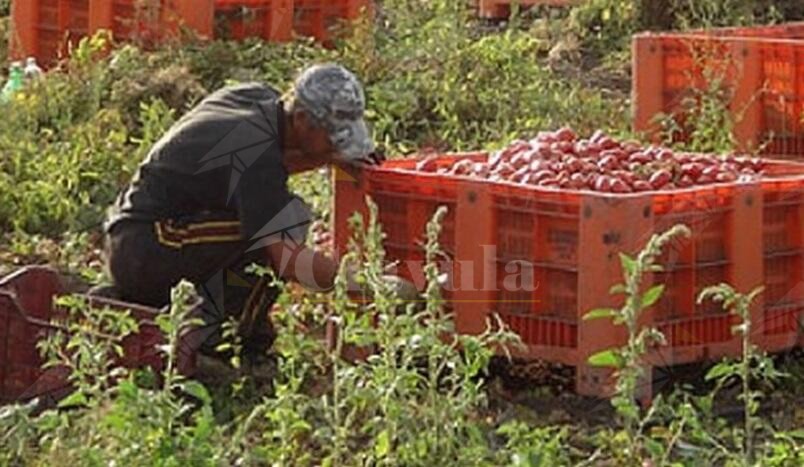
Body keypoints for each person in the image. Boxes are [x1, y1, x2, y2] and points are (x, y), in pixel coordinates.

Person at [96, 64, 417, 371]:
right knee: (282, 227)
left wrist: (326, 157)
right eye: (332, 136)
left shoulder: (257, 101)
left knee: (275, 220)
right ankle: (224, 344)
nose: (336, 145)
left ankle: (184, 311)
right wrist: (365, 283)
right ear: (303, 119)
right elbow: (288, 262)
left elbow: (251, 172)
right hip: (147, 247)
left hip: (132, 234)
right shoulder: (257, 151)